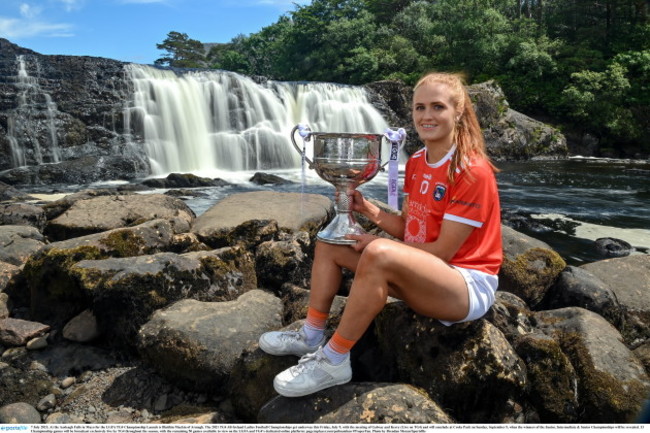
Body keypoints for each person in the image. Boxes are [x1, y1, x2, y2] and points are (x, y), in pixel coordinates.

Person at [258, 71, 503, 398]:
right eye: (419, 108)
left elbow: (443, 253)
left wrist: (378, 245)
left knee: (378, 252)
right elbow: (411, 231)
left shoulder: (470, 169)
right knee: (331, 243)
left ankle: (334, 358)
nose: (427, 116)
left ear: (458, 113)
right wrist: (368, 210)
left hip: (464, 287)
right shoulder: (417, 161)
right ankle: (312, 333)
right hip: (424, 274)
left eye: (438, 107)